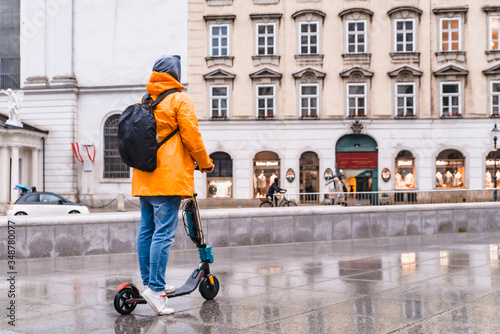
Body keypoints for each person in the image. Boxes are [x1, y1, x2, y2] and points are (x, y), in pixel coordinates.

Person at [132, 55, 214, 316]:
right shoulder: (180, 99)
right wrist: (205, 162)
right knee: (163, 234)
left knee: (147, 229)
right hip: (168, 178)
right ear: (175, 76)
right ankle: (156, 291)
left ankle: (149, 282)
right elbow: (192, 136)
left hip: (145, 176)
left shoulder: (144, 100)